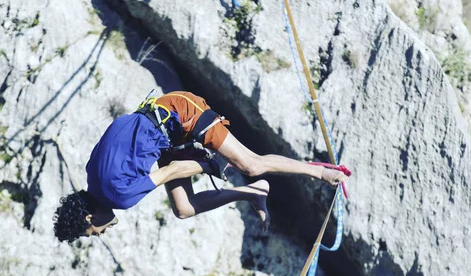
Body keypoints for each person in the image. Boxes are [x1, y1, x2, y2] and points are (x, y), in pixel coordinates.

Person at [53, 91, 349, 243]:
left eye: (93, 231)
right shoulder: (92, 175)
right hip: (163, 130)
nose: (101, 233)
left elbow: (169, 172)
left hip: (179, 114)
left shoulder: (119, 197)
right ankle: (253, 192)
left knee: (250, 163)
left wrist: (207, 165)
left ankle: (321, 172)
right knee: (183, 208)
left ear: (90, 216)